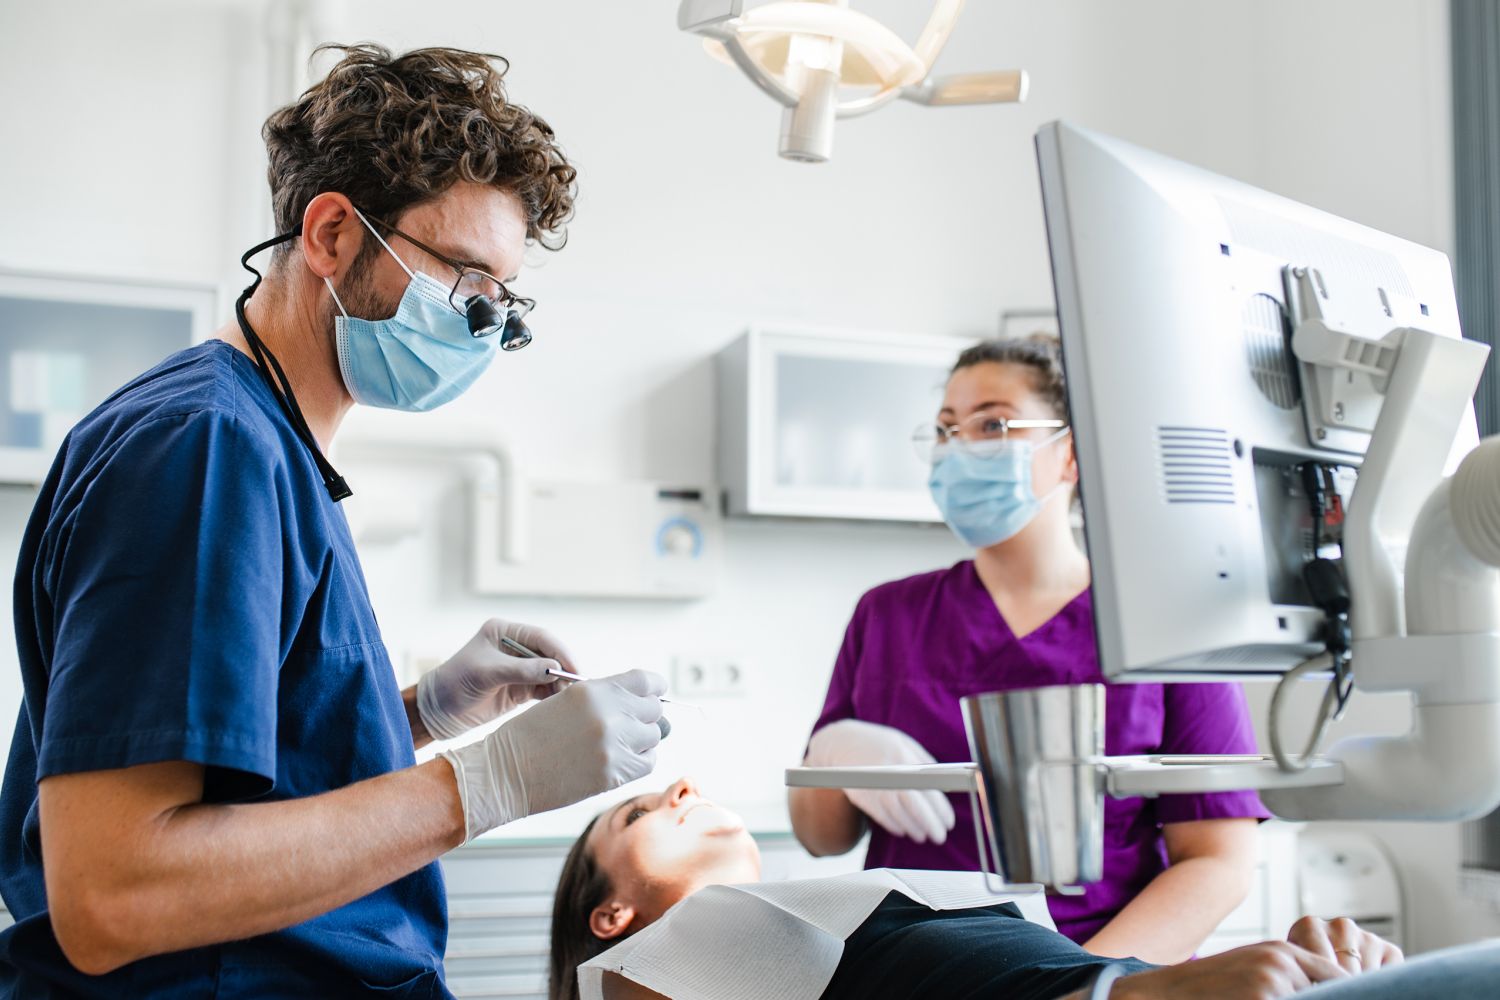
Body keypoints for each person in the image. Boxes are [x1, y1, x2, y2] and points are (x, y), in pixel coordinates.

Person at [0, 45, 666, 998]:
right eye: (466, 283)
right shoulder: (204, 448)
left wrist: (420, 718)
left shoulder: (265, 445)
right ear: (332, 237)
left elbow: (242, 785)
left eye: (502, 304)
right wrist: (488, 785)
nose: (486, 330)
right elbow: (115, 892)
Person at [789, 335, 1271, 964]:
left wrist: (1078, 984)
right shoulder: (886, 614)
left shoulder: (1159, 623)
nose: (959, 448)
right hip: (911, 967)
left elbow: (1218, 860)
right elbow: (822, 839)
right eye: (945, 429)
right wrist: (833, 756)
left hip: (1094, 962)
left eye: (992, 423)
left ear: (1071, 452)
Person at [549, 776, 1500, 1000]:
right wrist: (1146, 993)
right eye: (640, 817)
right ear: (612, 915)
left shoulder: (819, 923)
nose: (681, 788)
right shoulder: (651, 965)